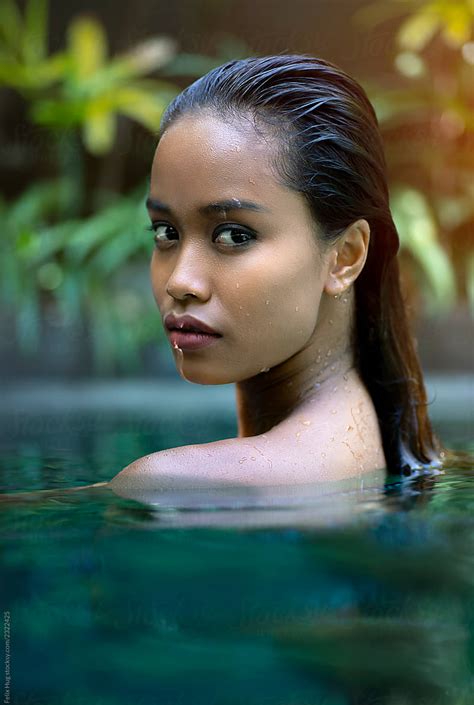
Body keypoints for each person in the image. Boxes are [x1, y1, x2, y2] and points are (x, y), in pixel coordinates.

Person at [109, 53, 440, 496]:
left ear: (345, 256)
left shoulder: (170, 489)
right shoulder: (382, 454)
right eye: (166, 232)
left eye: (233, 235)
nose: (180, 282)